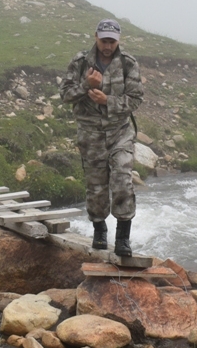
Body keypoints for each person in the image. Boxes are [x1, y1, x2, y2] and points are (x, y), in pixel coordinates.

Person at [60, 19, 143, 257]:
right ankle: (99, 231)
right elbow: (65, 95)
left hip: (120, 132)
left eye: (112, 41)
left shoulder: (128, 63)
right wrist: (87, 84)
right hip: (90, 134)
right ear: (95, 36)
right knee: (96, 187)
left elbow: (136, 99)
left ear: (118, 40)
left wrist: (108, 101)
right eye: (104, 40)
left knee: (122, 181)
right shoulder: (79, 62)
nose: (108, 46)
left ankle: (123, 239)